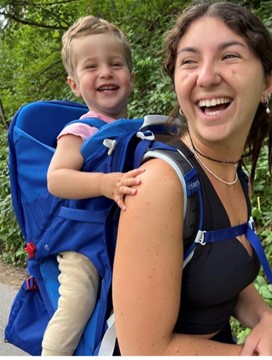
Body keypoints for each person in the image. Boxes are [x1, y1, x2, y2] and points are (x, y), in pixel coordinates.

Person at [112, 2, 272, 356]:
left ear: (268, 83)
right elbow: (143, 351)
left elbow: (218, 273)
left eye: (229, 56)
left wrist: (266, 318)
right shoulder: (159, 187)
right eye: (190, 61)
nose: (206, 77)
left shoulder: (234, 174)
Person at [42, 16, 143, 356]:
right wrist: (103, 183)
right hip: (83, 243)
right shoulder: (80, 130)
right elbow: (56, 179)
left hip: (121, 238)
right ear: (74, 84)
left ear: (131, 76)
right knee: (79, 300)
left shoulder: (139, 130)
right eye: (91, 66)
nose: (105, 72)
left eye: (116, 64)